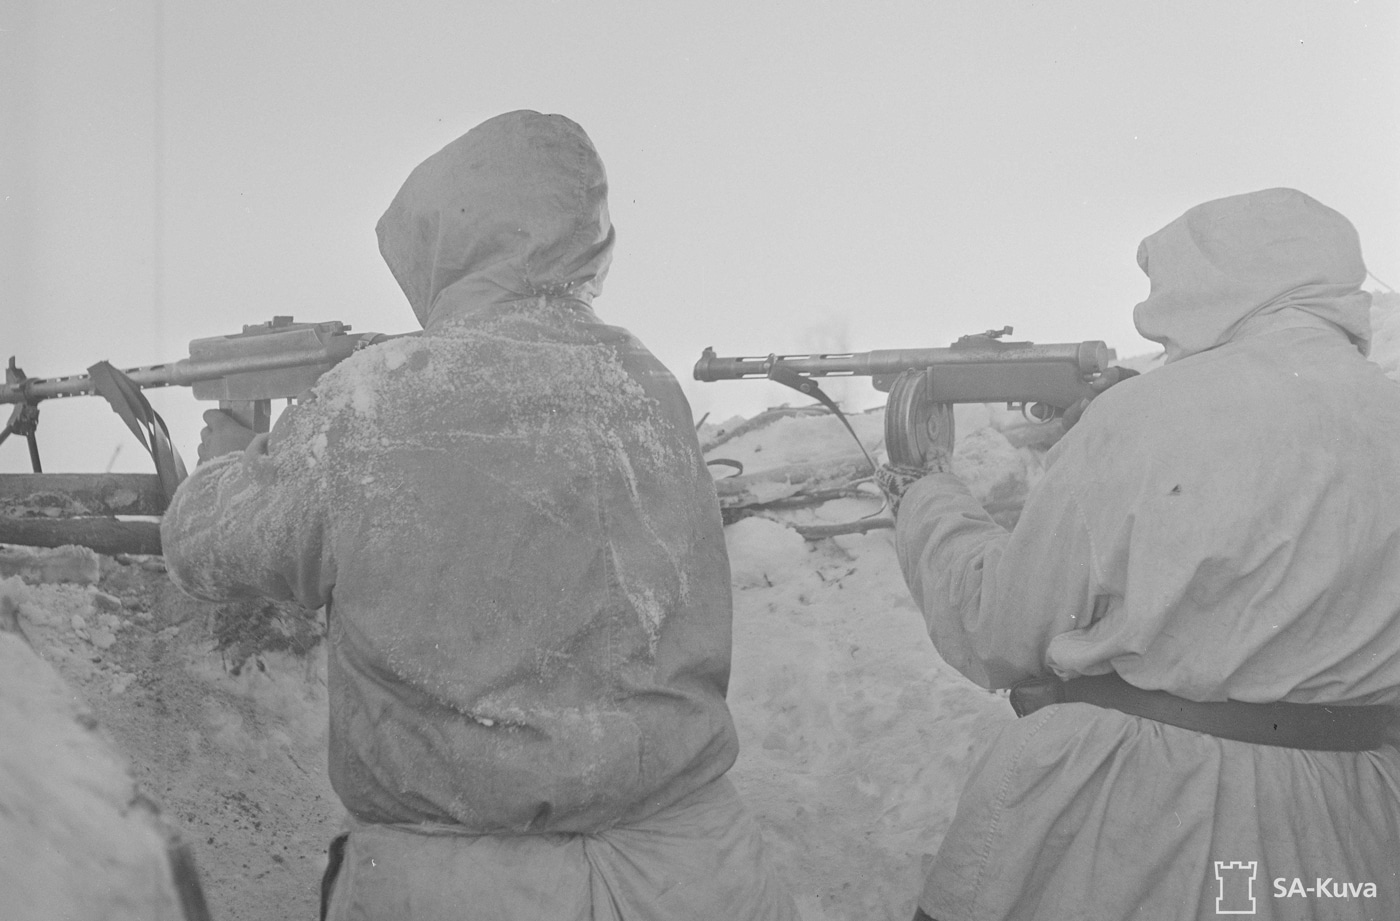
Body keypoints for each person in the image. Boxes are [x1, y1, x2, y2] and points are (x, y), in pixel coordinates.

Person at [160, 110, 799, 921]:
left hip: (465, 886)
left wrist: (233, 448)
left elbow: (206, 547)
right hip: (699, 869)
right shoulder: (646, 383)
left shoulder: (377, 396)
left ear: (442, 243)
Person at [877, 187, 1400, 921]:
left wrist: (923, 488)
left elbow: (999, 630)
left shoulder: (1144, 414)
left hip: (1131, 831)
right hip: (1351, 836)